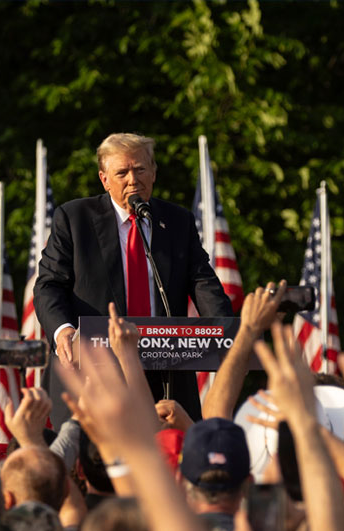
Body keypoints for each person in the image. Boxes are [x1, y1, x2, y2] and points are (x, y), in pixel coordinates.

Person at [33, 132, 233, 424]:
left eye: (140, 169)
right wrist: (63, 330)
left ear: (153, 172)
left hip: (165, 372)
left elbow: (202, 282)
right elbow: (49, 285)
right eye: (122, 172)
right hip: (93, 367)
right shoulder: (75, 219)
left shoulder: (177, 221)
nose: (132, 179)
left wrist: (225, 334)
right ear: (105, 179)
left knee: (170, 459)